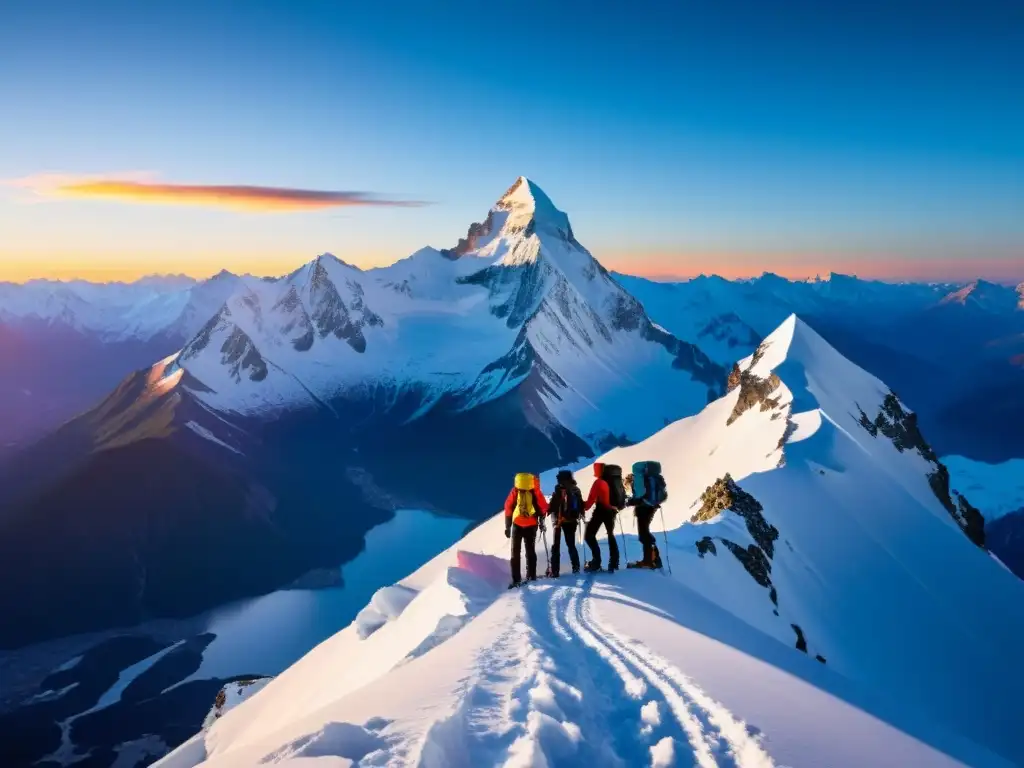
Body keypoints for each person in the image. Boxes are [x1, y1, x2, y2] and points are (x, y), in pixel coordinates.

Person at [504, 472, 549, 588]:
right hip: (531, 524)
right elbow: (544, 507)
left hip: (517, 524)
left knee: (515, 553)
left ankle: (516, 580)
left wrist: (507, 526)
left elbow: (508, 506)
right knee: (530, 550)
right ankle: (531, 576)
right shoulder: (535, 491)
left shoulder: (515, 491)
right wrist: (541, 518)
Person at [626, 462, 664, 569]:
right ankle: (654, 558)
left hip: (644, 509)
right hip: (652, 507)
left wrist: (629, 502)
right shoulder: (652, 478)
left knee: (643, 534)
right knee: (645, 532)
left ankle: (648, 561)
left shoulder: (640, 478)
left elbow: (639, 496)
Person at [583, 462, 620, 572]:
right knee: (611, 535)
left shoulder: (598, 482)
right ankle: (614, 562)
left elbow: (590, 501)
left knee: (589, 535)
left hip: (601, 510)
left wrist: (581, 506)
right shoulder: (612, 481)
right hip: (612, 511)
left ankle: (596, 562)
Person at [547, 469, 584, 576]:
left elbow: (553, 506)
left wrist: (550, 515)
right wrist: (581, 514)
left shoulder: (559, 489)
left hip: (559, 521)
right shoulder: (576, 489)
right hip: (572, 521)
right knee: (571, 544)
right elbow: (581, 505)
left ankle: (555, 571)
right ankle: (575, 567)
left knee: (556, 546)